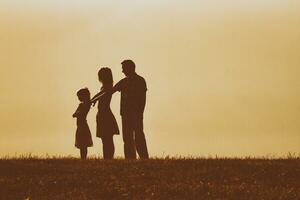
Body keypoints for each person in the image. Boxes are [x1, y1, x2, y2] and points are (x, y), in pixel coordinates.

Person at [113, 60, 149, 159]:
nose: (122, 71)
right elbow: (112, 90)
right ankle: (131, 158)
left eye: (124, 68)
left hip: (135, 113)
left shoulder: (139, 81)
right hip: (125, 114)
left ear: (130, 68)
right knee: (128, 138)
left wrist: (140, 112)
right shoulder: (125, 81)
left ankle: (143, 158)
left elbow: (142, 99)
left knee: (138, 136)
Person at [91, 68, 119, 159]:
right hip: (102, 113)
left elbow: (103, 94)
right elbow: (100, 94)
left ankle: (109, 157)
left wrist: (93, 100)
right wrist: (93, 100)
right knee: (105, 138)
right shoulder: (105, 86)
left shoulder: (108, 86)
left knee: (108, 138)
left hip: (105, 114)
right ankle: (107, 157)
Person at [72, 88, 93, 159]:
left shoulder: (86, 105)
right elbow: (75, 113)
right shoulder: (81, 105)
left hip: (83, 126)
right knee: (82, 144)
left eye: (80, 96)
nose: (79, 98)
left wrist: (77, 113)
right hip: (80, 126)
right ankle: (83, 158)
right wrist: (76, 113)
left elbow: (79, 113)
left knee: (83, 143)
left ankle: (83, 158)